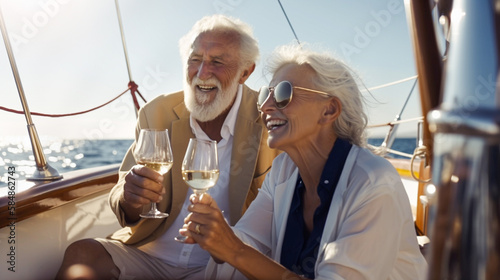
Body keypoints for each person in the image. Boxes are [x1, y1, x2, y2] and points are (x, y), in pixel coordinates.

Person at [55, 14, 280, 280]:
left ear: (245, 72)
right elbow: (122, 193)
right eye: (195, 59)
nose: (202, 72)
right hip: (147, 254)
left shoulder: (268, 118)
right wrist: (131, 198)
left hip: (221, 265)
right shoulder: (156, 112)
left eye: (217, 62)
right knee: (82, 255)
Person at [179, 44, 428, 279]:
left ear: (329, 110)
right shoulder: (283, 170)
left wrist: (232, 250)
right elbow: (248, 239)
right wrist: (215, 237)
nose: (265, 106)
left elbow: (239, 250)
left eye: (283, 93)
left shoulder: (373, 183)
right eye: (266, 94)